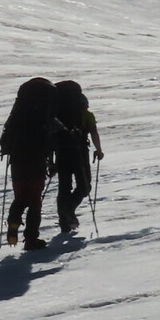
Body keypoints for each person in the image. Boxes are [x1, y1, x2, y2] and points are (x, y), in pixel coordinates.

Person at [0, 77, 61, 251]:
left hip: (17, 161)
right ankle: (31, 239)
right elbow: (53, 140)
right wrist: (52, 163)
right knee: (34, 201)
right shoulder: (45, 118)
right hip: (36, 161)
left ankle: (13, 221)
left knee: (21, 196)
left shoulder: (18, 115)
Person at [52, 80, 104, 234]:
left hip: (61, 152)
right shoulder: (87, 115)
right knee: (84, 185)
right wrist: (99, 150)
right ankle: (69, 210)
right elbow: (94, 132)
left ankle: (64, 222)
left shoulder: (58, 116)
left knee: (64, 187)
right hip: (80, 152)